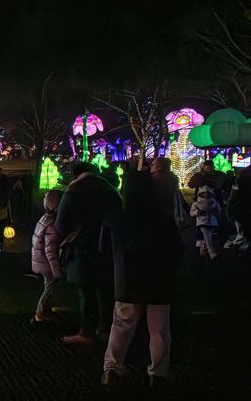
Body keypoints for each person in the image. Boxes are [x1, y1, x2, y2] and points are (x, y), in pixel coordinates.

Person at [102, 170, 184, 387]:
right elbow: (177, 249)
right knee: (159, 329)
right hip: (158, 280)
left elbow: (104, 249)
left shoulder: (117, 217)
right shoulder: (162, 217)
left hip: (127, 280)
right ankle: (158, 372)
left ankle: (112, 368)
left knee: (121, 325)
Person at [55, 162, 123, 345]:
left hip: (82, 247)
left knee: (86, 291)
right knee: (106, 291)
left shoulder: (74, 191)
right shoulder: (110, 190)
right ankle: (106, 329)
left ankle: (86, 332)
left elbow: (60, 224)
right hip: (108, 246)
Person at [31, 190, 63, 323]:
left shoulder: (44, 218)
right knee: (50, 288)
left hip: (38, 260)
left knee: (48, 286)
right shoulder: (53, 225)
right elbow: (50, 250)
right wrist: (57, 271)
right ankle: (40, 314)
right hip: (47, 264)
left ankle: (46, 311)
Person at [190, 185, 222, 259]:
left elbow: (219, 210)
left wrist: (215, 213)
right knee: (207, 236)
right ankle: (211, 252)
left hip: (212, 221)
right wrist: (197, 212)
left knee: (208, 236)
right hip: (202, 221)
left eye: (207, 193)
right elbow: (192, 213)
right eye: (204, 193)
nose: (206, 194)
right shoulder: (196, 203)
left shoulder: (214, 202)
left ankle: (203, 251)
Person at [225, 170, 251, 250]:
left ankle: (240, 245)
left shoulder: (239, 184)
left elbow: (233, 198)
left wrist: (229, 211)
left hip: (239, 209)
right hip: (242, 209)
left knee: (241, 229)